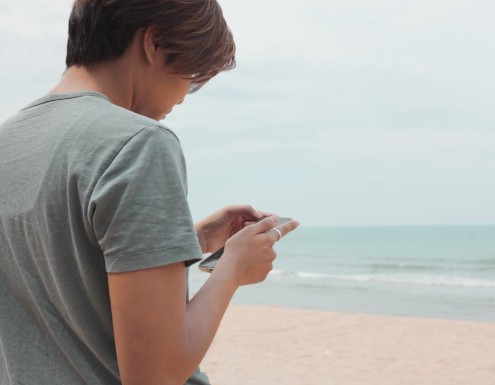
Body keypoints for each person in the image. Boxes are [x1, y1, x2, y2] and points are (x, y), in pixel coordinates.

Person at [0, 1, 299, 384]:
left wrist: (190, 241)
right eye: (190, 77)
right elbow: (154, 375)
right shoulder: (139, 143)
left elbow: (59, 271)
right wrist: (232, 269)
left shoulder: (9, 140)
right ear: (154, 43)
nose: (183, 97)